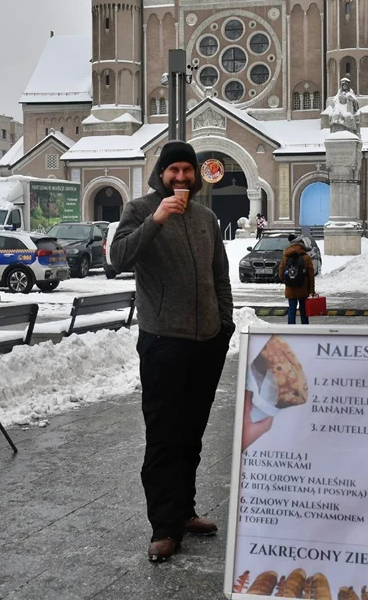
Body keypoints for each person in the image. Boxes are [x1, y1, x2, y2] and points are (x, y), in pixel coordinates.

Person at [109, 140, 235, 564]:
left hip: (207, 341)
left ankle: (184, 511)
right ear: (160, 174)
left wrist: (225, 323)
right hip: (163, 340)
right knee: (164, 437)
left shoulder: (206, 218)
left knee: (191, 436)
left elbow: (221, 275)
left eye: (188, 170)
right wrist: (157, 220)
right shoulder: (141, 210)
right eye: (174, 170)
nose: (181, 178)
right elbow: (118, 258)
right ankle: (164, 527)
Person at [278, 235, 315, 325]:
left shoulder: (286, 256)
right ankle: (305, 328)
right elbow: (311, 275)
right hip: (303, 287)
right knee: (303, 309)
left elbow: (281, 272)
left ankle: (291, 328)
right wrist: (311, 290)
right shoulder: (306, 257)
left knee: (292, 309)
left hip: (290, 288)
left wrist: (287, 280)